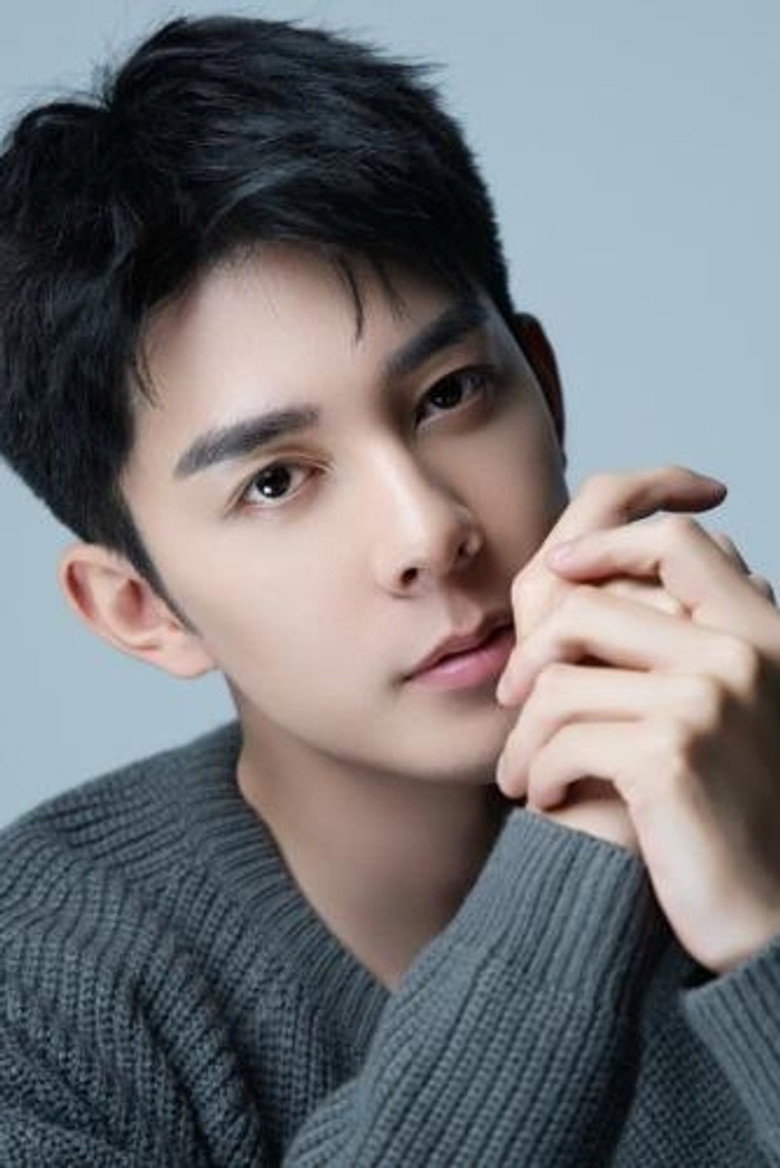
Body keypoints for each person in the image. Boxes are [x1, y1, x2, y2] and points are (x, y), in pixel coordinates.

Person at [1, 14, 779, 1166]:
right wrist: (585, 846)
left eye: (450, 394)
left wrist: (766, 933)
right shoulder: (39, 996)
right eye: (275, 481)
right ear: (141, 608)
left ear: (546, 386)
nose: (429, 532)